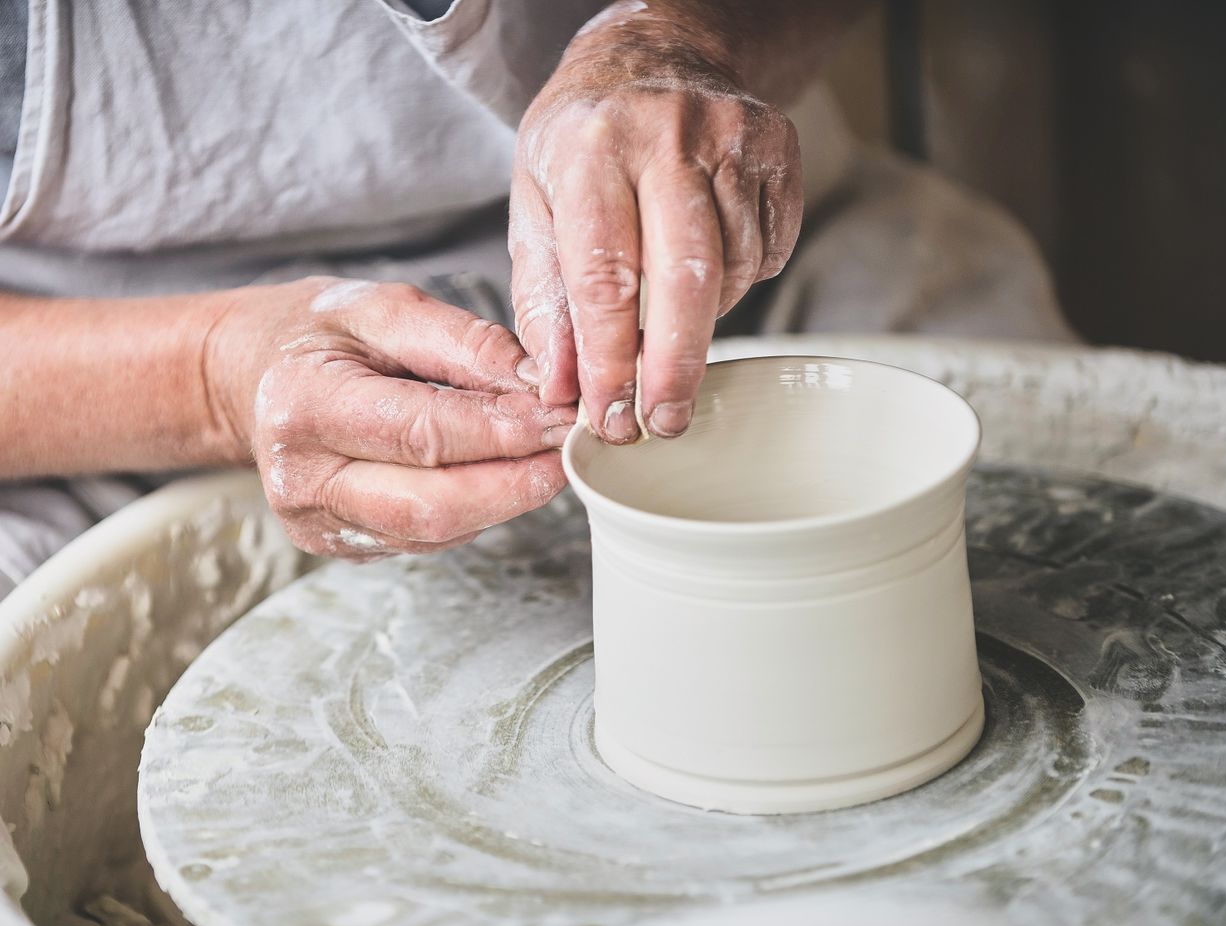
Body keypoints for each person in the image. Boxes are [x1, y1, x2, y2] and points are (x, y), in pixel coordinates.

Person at [0, 0, 1072, 596]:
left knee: (1058, 491)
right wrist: (210, 377)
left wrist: (676, 39)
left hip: (728, 233)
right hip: (110, 382)